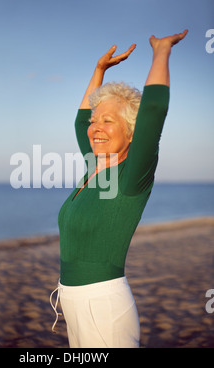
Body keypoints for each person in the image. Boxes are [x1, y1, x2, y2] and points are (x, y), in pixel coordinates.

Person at [51, 30, 188, 348]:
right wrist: (99, 71)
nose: (96, 127)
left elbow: (153, 113)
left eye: (108, 121)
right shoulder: (95, 168)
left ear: (130, 133)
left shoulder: (130, 178)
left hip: (104, 307)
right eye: (95, 121)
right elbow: (80, 122)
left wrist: (161, 51)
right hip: (71, 303)